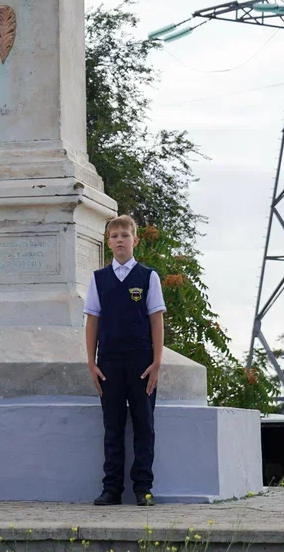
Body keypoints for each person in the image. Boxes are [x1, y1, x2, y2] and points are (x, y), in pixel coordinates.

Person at [85, 214, 166, 506]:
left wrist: (157, 362)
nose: (120, 240)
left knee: (144, 425)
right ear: (108, 243)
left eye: (125, 235)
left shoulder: (148, 277)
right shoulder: (98, 279)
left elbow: (156, 320)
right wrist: (91, 363)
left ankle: (143, 488)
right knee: (113, 426)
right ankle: (112, 489)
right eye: (115, 236)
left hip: (142, 362)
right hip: (108, 362)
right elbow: (92, 321)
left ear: (135, 240)